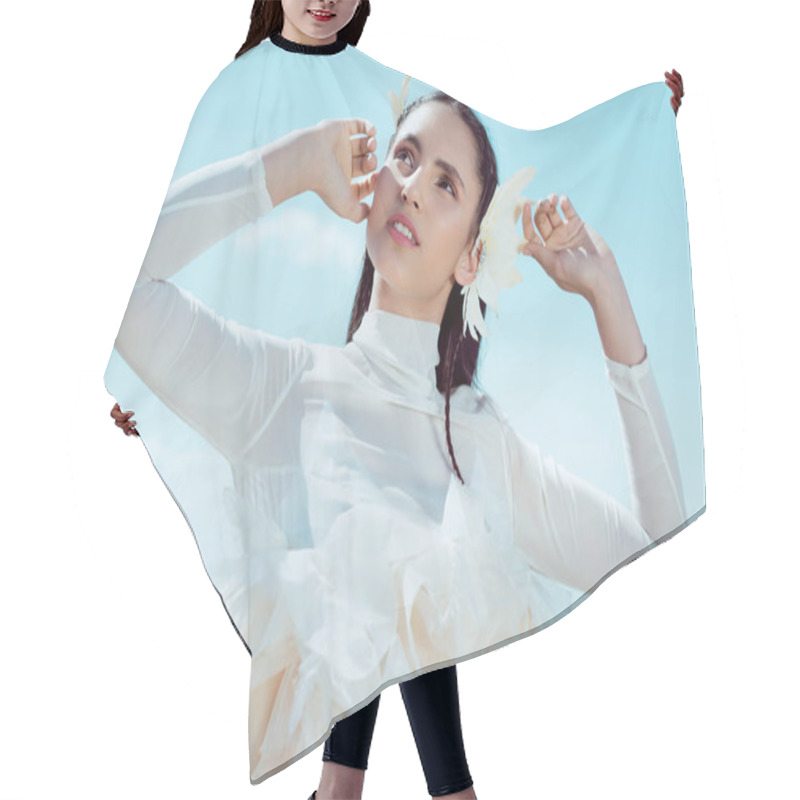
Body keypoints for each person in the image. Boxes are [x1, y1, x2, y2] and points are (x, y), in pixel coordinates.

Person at [109, 3, 686, 799]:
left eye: (444, 183)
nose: (411, 188)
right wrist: (287, 168)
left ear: (470, 258)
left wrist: (607, 296)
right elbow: (129, 302)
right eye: (405, 159)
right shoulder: (280, 388)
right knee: (389, 548)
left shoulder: (481, 443)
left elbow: (654, 534)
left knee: (405, 550)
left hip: (447, 463)